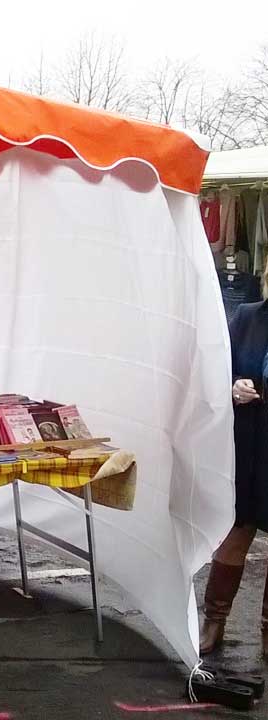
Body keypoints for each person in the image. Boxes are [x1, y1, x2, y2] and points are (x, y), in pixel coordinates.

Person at [200, 271, 268, 656]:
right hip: (249, 446)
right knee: (236, 534)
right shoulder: (245, 316)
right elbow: (217, 367)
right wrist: (233, 385)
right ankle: (214, 622)